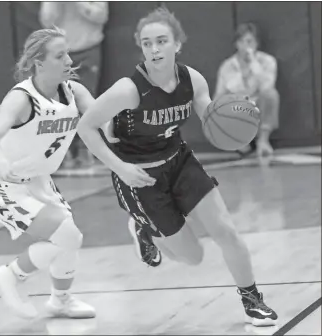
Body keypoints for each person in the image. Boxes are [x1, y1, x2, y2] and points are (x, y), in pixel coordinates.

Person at [77, 7, 278, 327]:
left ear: (177, 44)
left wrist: (242, 115)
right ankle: (143, 230)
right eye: (147, 43)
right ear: (141, 47)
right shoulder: (129, 90)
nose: (154, 49)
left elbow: (216, 122)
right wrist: (120, 168)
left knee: (225, 229)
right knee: (192, 256)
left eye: (161, 41)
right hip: (139, 175)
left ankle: (252, 299)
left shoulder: (192, 80)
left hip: (179, 160)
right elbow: (86, 128)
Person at [0, 28, 97, 319]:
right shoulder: (21, 98)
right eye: (59, 55)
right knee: (66, 234)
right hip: (1, 182)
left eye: (68, 52)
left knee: (70, 237)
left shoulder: (74, 92)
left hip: (39, 179)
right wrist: (0, 159)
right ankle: (10, 274)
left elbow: (104, 122)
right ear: (39, 62)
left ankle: (60, 300)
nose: (69, 60)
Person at [40, 1, 109, 168]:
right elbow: (46, 21)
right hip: (60, 52)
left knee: (87, 102)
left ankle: (87, 149)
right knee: (61, 102)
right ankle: (64, 151)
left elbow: (101, 17)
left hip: (88, 49)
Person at [214, 22, 280, 159]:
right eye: (241, 41)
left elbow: (267, 88)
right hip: (238, 109)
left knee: (271, 95)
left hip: (259, 109)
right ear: (236, 44)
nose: (246, 46)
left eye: (249, 41)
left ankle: (263, 141)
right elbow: (217, 97)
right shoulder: (227, 66)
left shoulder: (268, 61)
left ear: (256, 43)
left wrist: (254, 65)